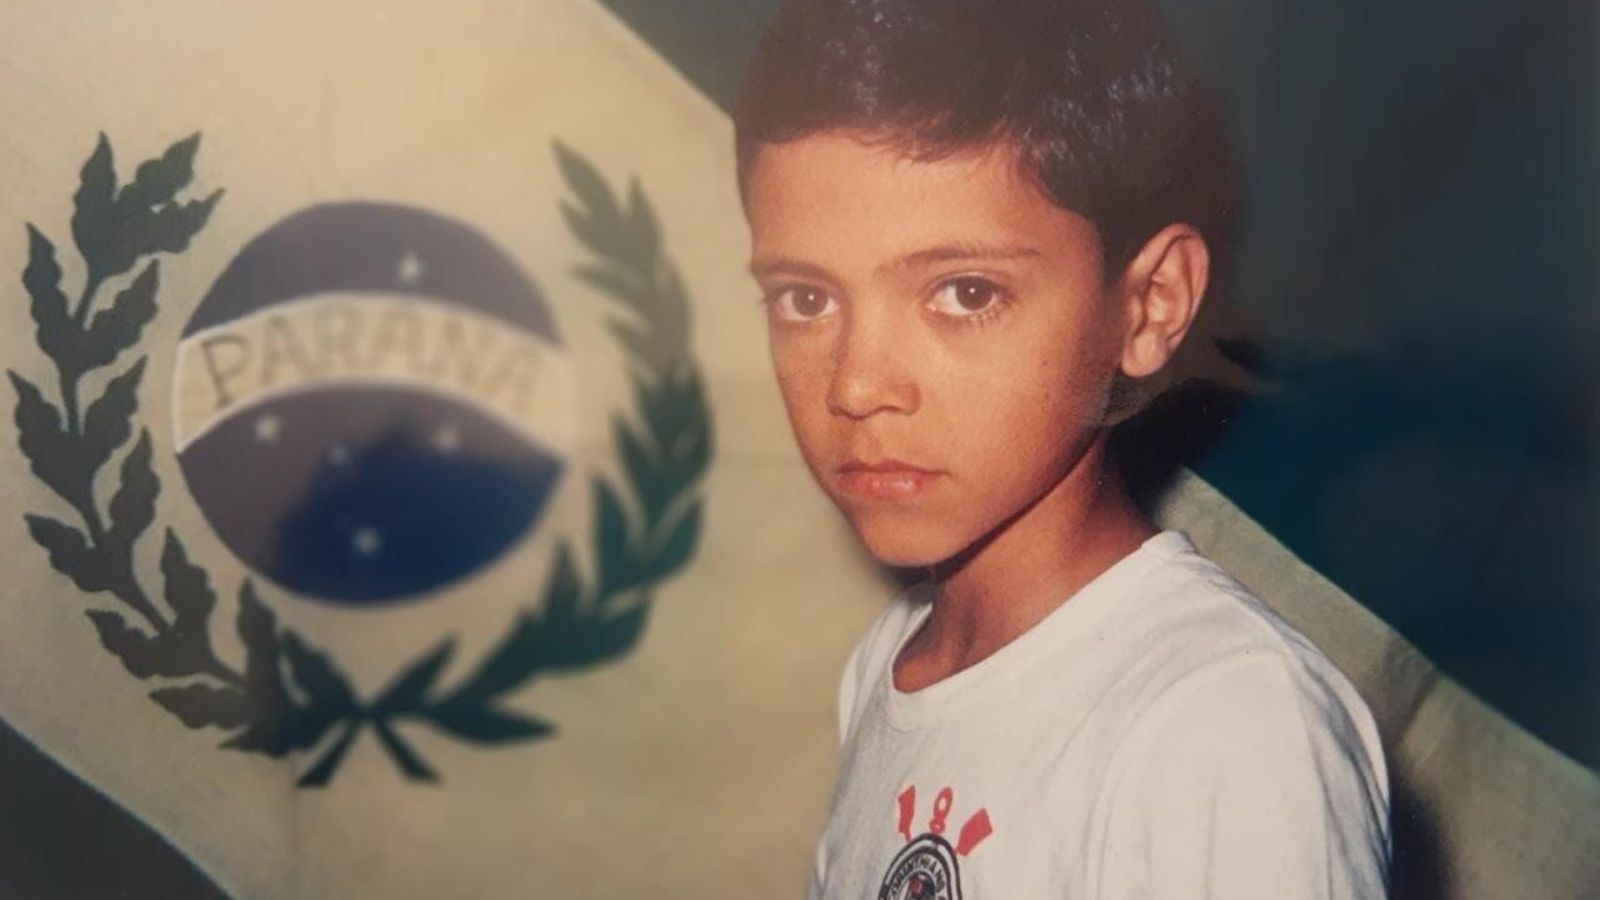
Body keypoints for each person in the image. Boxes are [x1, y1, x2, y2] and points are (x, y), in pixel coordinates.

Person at [733, 0, 1391, 897]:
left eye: (965, 293)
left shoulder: (1224, 719)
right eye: (806, 300)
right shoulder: (889, 666)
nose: (855, 386)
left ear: (1151, 305)